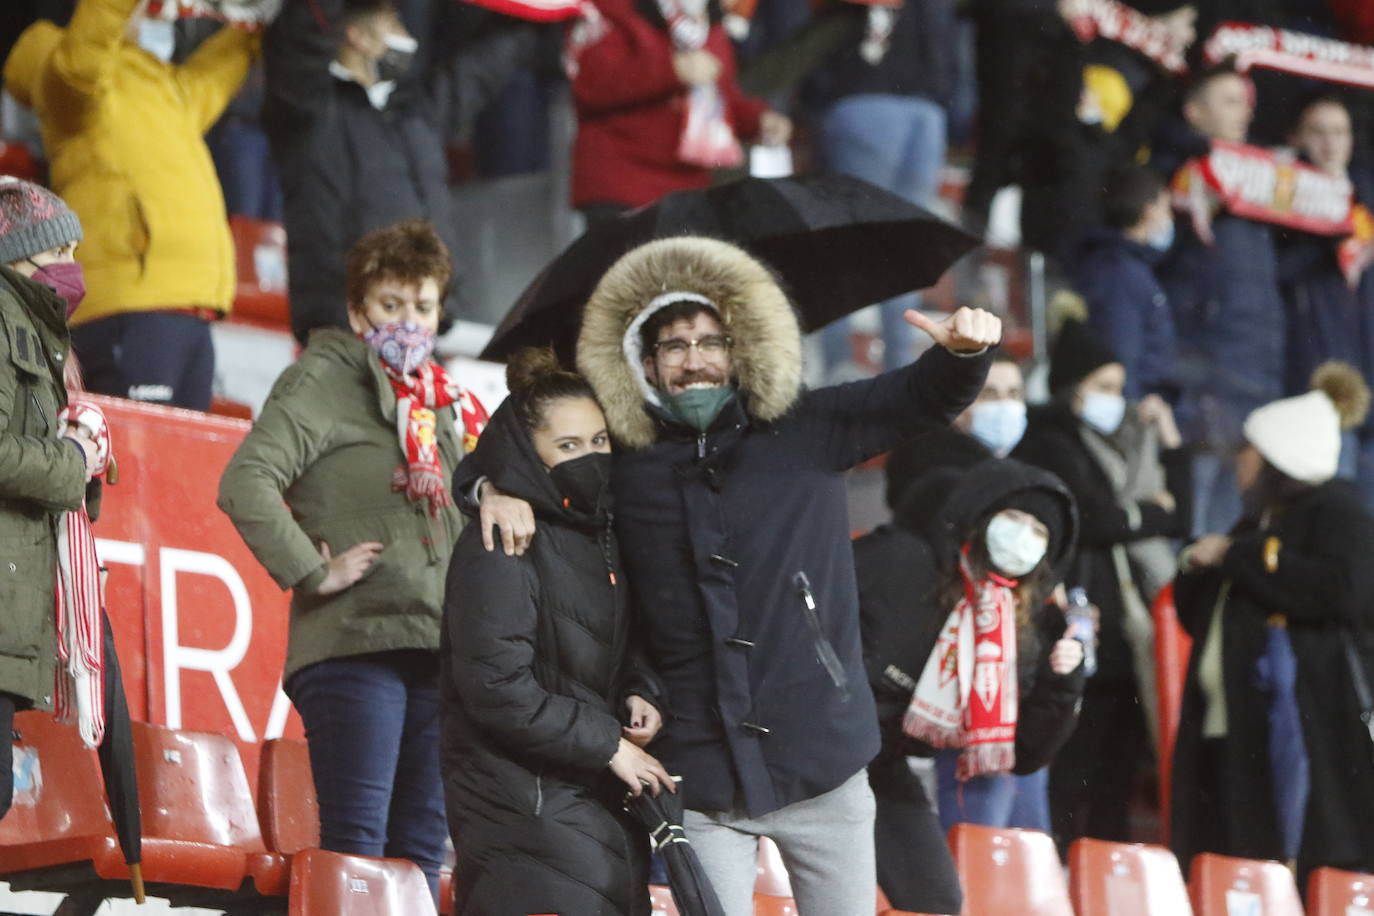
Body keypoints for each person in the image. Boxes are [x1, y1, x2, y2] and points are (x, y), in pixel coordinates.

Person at [546, 235, 1000, 915]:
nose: (694, 359)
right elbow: (529, 445)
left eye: (710, 340)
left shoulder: (806, 426)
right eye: (673, 345)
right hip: (698, 778)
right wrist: (488, 490)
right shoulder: (624, 466)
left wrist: (963, 355)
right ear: (644, 362)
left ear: (739, 351)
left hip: (826, 765)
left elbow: (918, 398)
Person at [217, 221, 487, 901]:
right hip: (353, 644)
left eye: (422, 307)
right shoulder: (320, 378)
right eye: (391, 305)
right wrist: (313, 570)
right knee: (359, 845)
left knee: (422, 848)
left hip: (436, 646)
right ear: (356, 310)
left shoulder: (440, 402)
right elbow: (245, 480)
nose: (409, 322)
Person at [442, 347, 672, 916]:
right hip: (526, 811)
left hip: (588, 807)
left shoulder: (602, 533)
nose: (589, 458)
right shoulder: (502, 537)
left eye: (599, 442)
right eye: (567, 447)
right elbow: (496, 687)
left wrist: (641, 690)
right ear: (529, 453)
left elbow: (612, 647)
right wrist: (606, 744)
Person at [1170, 363, 1374, 885]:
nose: (1239, 462)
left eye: (1248, 451)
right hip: (1227, 725)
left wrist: (1240, 556)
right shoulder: (1256, 521)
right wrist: (1198, 564)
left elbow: (1342, 593)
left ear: (1276, 459)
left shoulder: (1338, 512)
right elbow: (1199, 615)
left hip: (1299, 733)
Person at [4, 0, 258, 410]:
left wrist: (254, 24)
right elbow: (83, 56)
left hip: (192, 305)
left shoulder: (163, 84)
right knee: (126, 466)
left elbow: (219, 71)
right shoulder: (65, 79)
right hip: (128, 305)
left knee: (177, 467)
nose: (160, 11)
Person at [855, 459, 1084, 913]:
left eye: (1039, 533)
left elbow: (1024, 753)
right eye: (1015, 519)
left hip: (880, 768)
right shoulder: (900, 559)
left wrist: (1063, 682)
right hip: (811, 745)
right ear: (981, 516)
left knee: (937, 900)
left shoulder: (1018, 628)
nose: (1023, 537)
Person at [264, 0, 538, 342]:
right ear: (358, 36)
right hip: (343, 325)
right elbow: (300, 35)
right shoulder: (307, 110)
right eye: (394, 25)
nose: (409, 38)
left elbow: (482, 68)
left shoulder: (416, 112)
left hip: (422, 328)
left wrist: (543, 15)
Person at [1013, 319, 1190, 849]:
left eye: (1119, 387)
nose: (1117, 400)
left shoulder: (1126, 444)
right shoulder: (1048, 440)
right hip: (1083, 627)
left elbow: (1178, 516)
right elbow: (1093, 518)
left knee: (1113, 777)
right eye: (1105, 388)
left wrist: (1171, 444)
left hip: (1126, 633)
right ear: (1074, 387)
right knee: (1074, 769)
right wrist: (1142, 513)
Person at [0, 176, 103, 817]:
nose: (72, 270)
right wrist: (70, 461)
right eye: (58, 254)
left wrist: (83, 465)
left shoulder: (35, 333)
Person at [1154, 63, 1285, 536]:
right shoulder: (1179, 175)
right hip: (1207, 376)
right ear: (1194, 111)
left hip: (1257, 373)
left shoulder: (1260, 186)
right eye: (1229, 101)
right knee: (1193, 522)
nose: (1243, 114)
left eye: (1246, 103)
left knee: (1240, 523)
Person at [799, 0, 957, 379]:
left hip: (881, 102)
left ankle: (847, 368)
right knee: (892, 246)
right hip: (910, 106)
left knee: (860, 242)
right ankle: (890, 371)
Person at [565, 0, 790, 224]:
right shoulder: (610, 8)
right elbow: (590, 84)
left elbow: (721, 94)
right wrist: (671, 70)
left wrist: (758, 120)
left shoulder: (706, 17)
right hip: (621, 184)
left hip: (688, 193)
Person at [1279, 94, 1374, 508]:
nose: (1330, 143)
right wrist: (1322, 244)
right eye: (1319, 132)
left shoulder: (1365, 200)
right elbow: (1274, 277)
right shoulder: (1280, 195)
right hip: (1320, 390)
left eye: (1339, 132)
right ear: (1299, 138)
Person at [1070, 165, 1177, 402]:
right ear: (1149, 211)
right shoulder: (1121, 273)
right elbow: (1120, 352)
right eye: (1166, 208)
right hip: (1131, 408)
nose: (1170, 218)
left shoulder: (1130, 267)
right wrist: (1128, 413)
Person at [883, 353, 1028, 512]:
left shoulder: (1037, 453)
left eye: (1014, 394)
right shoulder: (928, 465)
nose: (1004, 405)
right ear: (954, 403)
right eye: (988, 394)